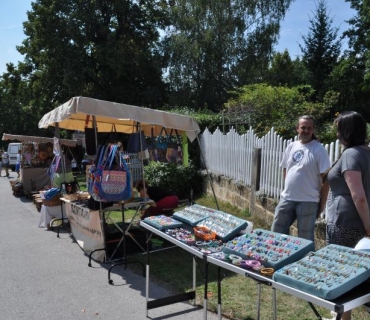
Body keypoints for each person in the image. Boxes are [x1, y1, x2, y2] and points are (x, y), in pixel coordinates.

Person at [323, 111, 370, 320]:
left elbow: (358, 196)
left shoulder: (351, 154)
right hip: (354, 222)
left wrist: (368, 227)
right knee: (351, 273)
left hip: (346, 223)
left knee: (341, 272)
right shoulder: (366, 152)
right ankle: (343, 317)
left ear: (347, 131)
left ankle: (343, 318)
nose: (336, 133)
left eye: (339, 128)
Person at [271, 115, 331, 242]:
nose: (306, 131)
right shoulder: (291, 146)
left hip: (308, 201)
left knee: (305, 238)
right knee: (277, 231)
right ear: (297, 128)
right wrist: (289, 188)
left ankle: (306, 260)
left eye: (309, 128)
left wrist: (321, 205)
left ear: (313, 129)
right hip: (287, 198)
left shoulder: (319, 150)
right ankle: (279, 258)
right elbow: (285, 168)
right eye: (303, 127)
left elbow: (325, 181)